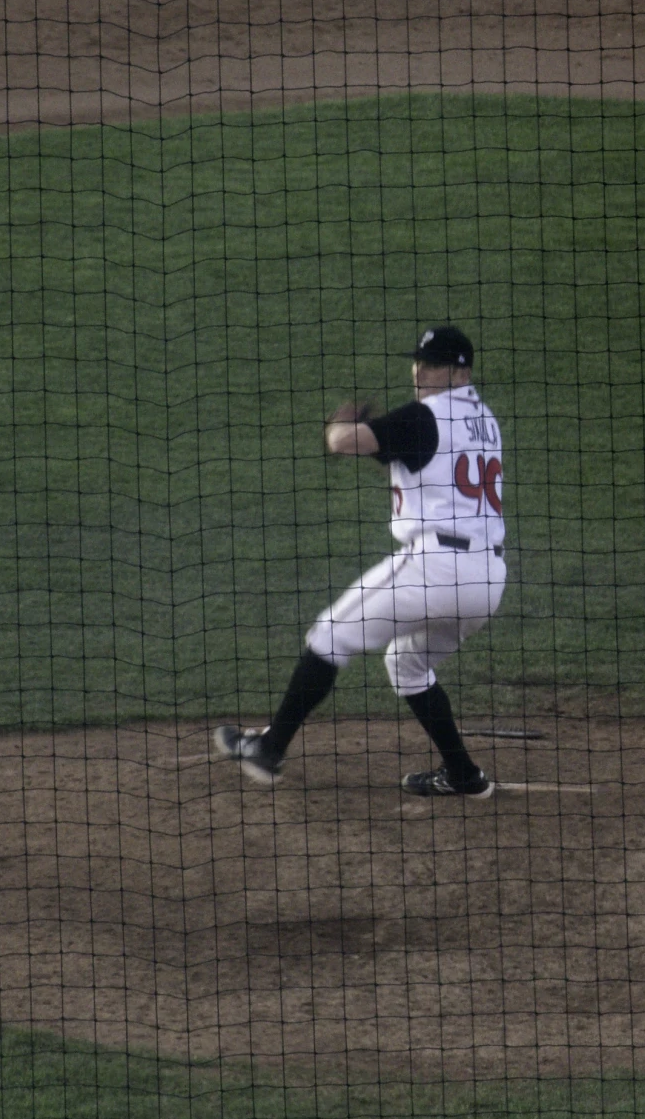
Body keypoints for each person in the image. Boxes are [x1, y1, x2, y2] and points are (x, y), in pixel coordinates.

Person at [213, 325, 508, 797]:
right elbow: (416, 454)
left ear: (460, 372)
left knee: (331, 634)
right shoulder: (484, 420)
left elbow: (344, 443)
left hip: (436, 567)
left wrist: (337, 425)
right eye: (418, 362)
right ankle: (464, 776)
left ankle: (269, 749)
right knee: (407, 666)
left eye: (431, 365)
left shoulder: (424, 416)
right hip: (488, 580)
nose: (419, 372)